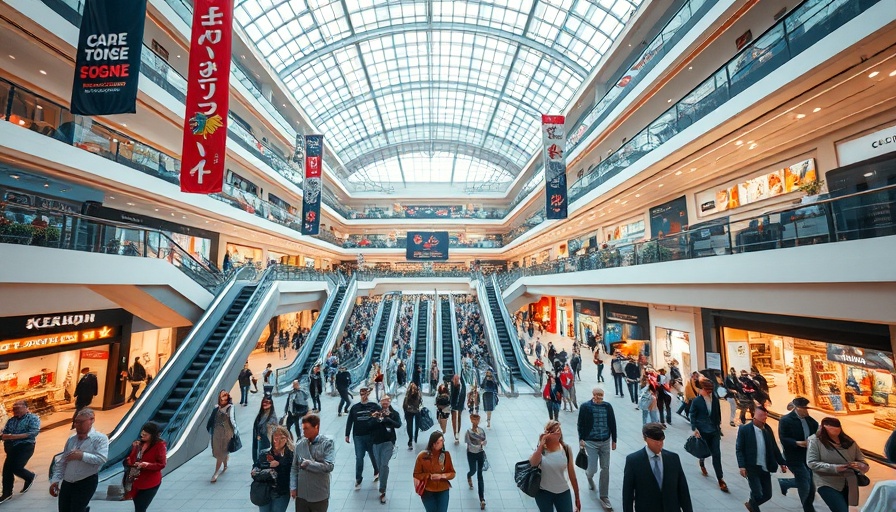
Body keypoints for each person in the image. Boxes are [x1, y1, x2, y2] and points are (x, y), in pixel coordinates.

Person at [621, 423, 692, 512]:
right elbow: (628, 493)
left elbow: (683, 490)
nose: (659, 444)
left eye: (662, 441)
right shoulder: (634, 461)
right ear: (646, 439)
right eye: (656, 442)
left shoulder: (673, 459)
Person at [49, 408, 109, 512]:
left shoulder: (100, 439)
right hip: (68, 482)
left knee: (77, 509)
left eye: (81, 422)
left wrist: (82, 456)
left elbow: (101, 458)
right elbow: (63, 461)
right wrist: (55, 480)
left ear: (91, 420)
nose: (77, 425)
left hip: (85, 481)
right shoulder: (71, 439)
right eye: (75, 422)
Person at [807, 417, 869, 512]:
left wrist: (860, 465)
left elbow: (863, 461)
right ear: (824, 428)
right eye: (831, 427)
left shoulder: (849, 442)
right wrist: (834, 468)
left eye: (837, 427)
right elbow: (811, 463)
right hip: (826, 483)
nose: (835, 430)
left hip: (849, 482)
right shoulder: (815, 441)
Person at [735, 406, 787, 512]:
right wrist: (742, 466)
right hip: (752, 467)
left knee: (767, 495)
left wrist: (782, 462)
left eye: (765, 416)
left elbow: (774, 447)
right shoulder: (745, 430)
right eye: (762, 416)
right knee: (757, 492)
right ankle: (753, 507)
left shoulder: (767, 429)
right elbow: (739, 449)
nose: (764, 419)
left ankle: (751, 504)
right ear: (755, 417)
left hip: (765, 467)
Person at [577, 387, 617, 510]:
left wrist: (614, 440)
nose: (600, 397)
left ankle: (604, 496)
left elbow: (612, 423)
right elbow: (580, 424)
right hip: (591, 442)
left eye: (601, 395)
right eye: (597, 395)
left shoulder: (607, 406)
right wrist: (581, 439)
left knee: (605, 468)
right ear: (593, 395)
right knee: (592, 468)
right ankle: (589, 476)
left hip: (605, 441)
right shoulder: (585, 407)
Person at [529, 420, 581, 512]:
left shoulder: (566, 448)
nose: (558, 433)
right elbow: (533, 464)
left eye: (559, 430)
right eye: (554, 431)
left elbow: (572, 474)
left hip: (563, 491)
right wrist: (541, 445)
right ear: (547, 434)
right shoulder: (541, 450)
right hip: (543, 492)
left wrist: (577, 497)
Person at [778, 397, 819, 511]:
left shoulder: (811, 421)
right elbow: (783, 438)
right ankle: (808, 508)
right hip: (793, 457)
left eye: (807, 408)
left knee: (810, 483)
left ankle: (785, 483)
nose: (806, 411)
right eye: (803, 408)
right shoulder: (785, 420)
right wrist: (797, 443)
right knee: (804, 480)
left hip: (808, 456)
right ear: (797, 408)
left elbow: (817, 434)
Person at [291, 414, 335, 512]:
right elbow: (294, 468)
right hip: (302, 495)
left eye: (306, 428)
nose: (304, 431)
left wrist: (309, 464)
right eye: (303, 428)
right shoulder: (299, 445)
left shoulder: (327, 443)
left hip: (319, 495)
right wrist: (293, 487)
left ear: (316, 427)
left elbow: (329, 466)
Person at [690, 379, 728, 493]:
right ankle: (701, 461)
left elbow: (717, 413)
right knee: (704, 451)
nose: (703, 391)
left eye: (705, 390)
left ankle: (720, 479)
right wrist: (695, 428)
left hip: (714, 431)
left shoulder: (715, 399)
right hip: (703, 431)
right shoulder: (697, 401)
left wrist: (719, 426)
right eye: (703, 389)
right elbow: (692, 414)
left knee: (716, 454)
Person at [0, 400, 39, 504]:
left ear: (26, 408)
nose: (15, 410)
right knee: (7, 469)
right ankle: (7, 493)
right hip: (12, 447)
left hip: (26, 445)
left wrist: (13, 437)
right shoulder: (11, 420)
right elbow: (5, 433)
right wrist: (5, 436)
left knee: (15, 467)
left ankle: (29, 477)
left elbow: (33, 433)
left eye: (18, 408)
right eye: (14, 408)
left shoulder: (33, 418)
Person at [124, 422, 167, 512]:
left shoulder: (160, 446)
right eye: (142, 434)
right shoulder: (140, 444)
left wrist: (146, 465)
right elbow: (132, 460)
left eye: (145, 435)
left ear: (152, 435)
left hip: (150, 482)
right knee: (138, 506)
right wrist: (134, 450)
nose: (142, 436)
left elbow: (162, 464)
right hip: (136, 481)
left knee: (141, 507)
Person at [345, 386, 380, 490]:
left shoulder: (374, 406)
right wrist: (347, 434)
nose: (363, 396)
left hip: (370, 436)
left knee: (373, 455)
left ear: (368, 394)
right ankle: (358, 478)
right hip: (358, 436)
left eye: (365, 393)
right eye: (361, 394)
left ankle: (376, 470)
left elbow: (380, 417)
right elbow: (350, 421)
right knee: (359, 457)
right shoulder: (355, 408)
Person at [253, 426, 293, 512]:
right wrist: (261, 468)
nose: (277, 441)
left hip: (281, 493)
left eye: (281, 438)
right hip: (265, 491)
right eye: (275, 438)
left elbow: (292, 473)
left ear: (286, 439)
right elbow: (256, 468)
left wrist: (280, 464)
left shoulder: (290, 455)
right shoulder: (265, 453)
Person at [413, 431, 456, 512]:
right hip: (427, 490)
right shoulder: (422, 456)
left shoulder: (446, 455)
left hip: (443, 489)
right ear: (433, 443)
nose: (442, 443)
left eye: (443, 441)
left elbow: (452, 473)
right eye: (440, 441)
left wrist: (442, 476)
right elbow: (416, 474)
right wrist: (429, 476)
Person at [371, 395, 401, 504]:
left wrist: (388, 419)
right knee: (380, 465)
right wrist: (376, 418)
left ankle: (382, 489)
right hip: (376, 442)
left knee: (384, 464)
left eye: (387, 401)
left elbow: (398, 425)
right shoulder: (375, 412)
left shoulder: (393, 413)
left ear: (389, 402)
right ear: (380, 402)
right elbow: (369, 425)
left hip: (388, 443)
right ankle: (381, 478)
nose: (385, 403)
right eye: (383, 401)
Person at [207, 389, 238, 483]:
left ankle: (215, 473)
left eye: (225, 395)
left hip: (226, 433)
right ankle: (225, 464)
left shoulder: (230, 407)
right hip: (216, 433)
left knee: (221, 452)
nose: (223, 397)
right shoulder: (216, 407)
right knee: (218, 452)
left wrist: (235, 431)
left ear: (228, 397)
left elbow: (232, 420)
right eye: (222, 395)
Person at [464, 414, 487, 510]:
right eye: (474, 419)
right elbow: (469, 443)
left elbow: (485, 441)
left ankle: (482, 499)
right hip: (471, 454)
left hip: (480, 454)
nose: (476, 422)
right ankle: (469, 475)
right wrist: (479, 444)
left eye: (477, 419)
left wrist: (483, 443)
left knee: (480, 475)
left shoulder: (481, 431)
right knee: (473, 470)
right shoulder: (468, 432)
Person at [253, 396, 279, 464]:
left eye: (268, 402)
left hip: (267, 440)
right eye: (264, 402)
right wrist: (258, 434)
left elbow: (274, 429)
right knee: (260, 456)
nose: (265, 404)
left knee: (265, 458)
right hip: (261, 439)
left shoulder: (272, 416)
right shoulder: (261, 414)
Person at [403, 383, 423, 449]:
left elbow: (404, 404)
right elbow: (420, 402)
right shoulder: (418, 393)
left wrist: (405, 411)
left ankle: (410, 440)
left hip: (408, 412)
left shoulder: (407, 394)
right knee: (417, 425)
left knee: (409, 426)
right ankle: (415, 438)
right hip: (416, 411)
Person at [448, 374, 466, 443]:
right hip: (453, 405)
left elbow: (463, 395)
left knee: (458, 418)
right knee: (454, 419)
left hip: (459, 405)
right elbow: (451, 395)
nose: (455, 380)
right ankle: (455, 434)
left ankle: (457, 433)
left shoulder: (461, 386)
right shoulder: (452, 385)